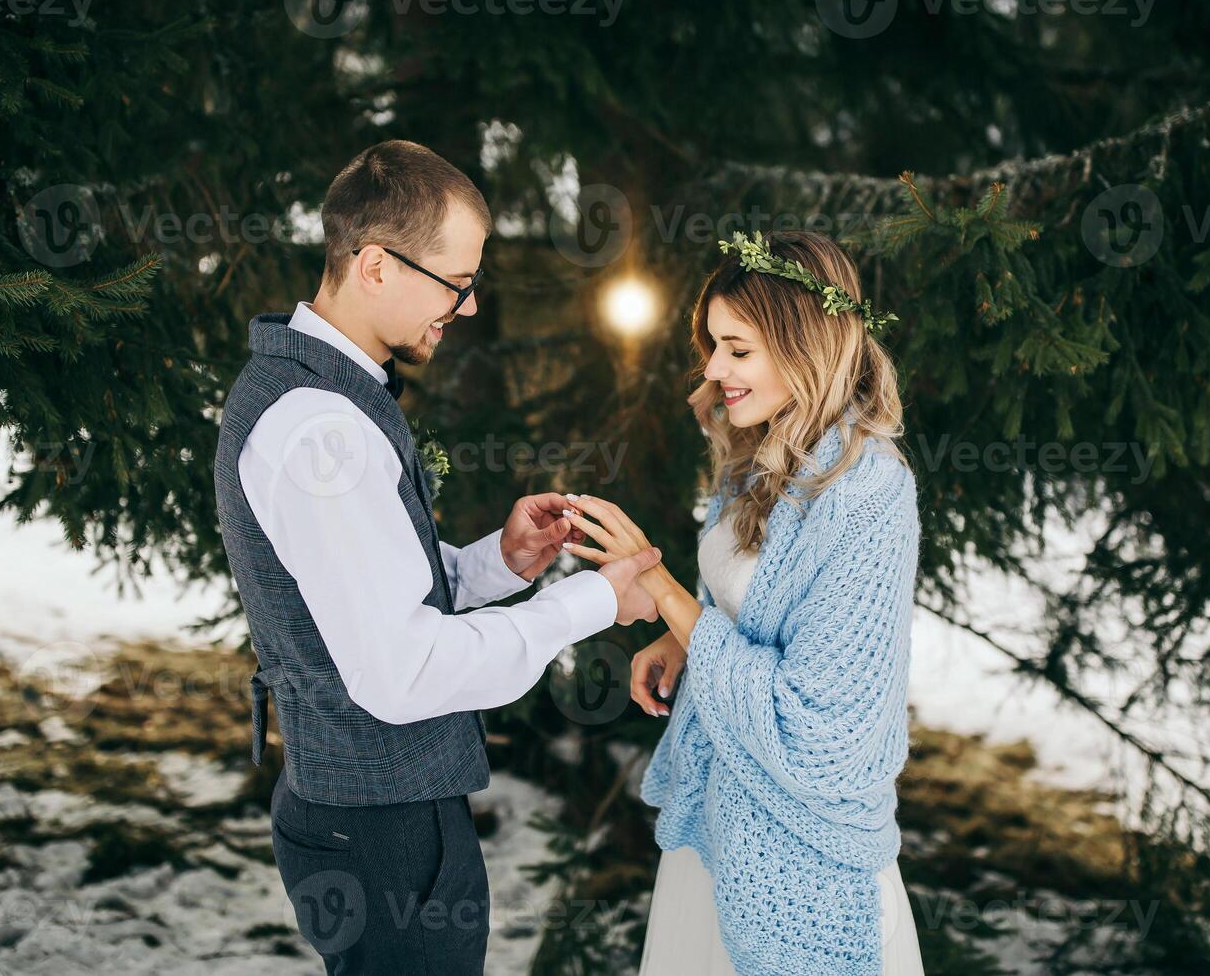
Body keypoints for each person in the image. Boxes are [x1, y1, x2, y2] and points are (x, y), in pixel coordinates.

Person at [211, 139, 660, 974]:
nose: (470, 307)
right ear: (376, 265)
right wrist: (594, 602)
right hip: (384, 833)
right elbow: (404, 670)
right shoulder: (323, 433)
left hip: (372, 814)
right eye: (457, 284)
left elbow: (364, 597)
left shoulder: (314, 390)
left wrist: (501, 562)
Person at [560, 231, 927, 975]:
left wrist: (659, 590)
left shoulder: (868, 495)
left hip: (799, 851)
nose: (714, 370)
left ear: (805, 348)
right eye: (713, 347)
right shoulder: (755, 456)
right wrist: (683, 635)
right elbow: (741, 600)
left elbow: (819, 732)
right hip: (717, 815)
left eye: (737, 349)